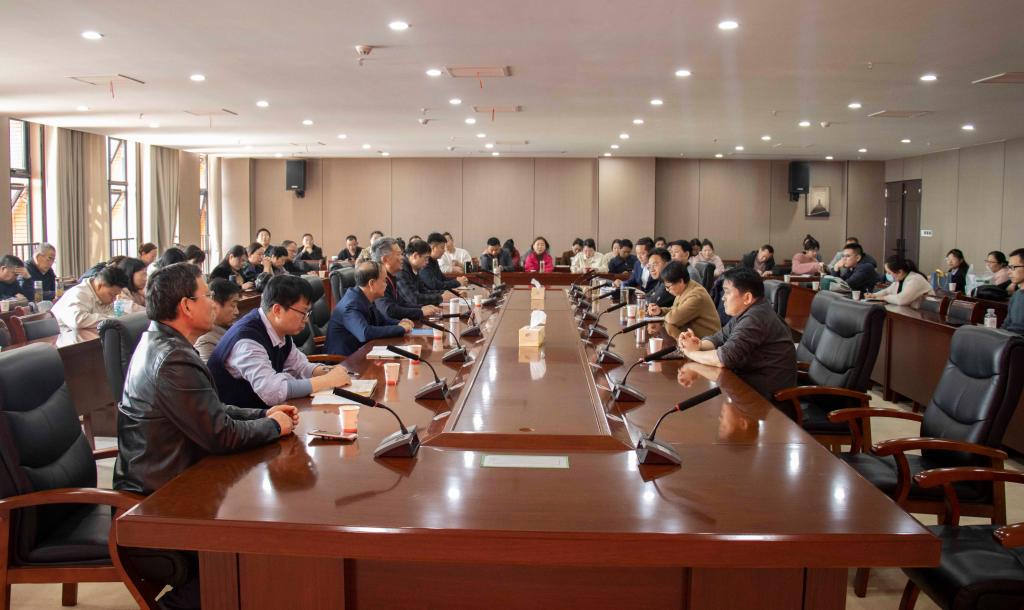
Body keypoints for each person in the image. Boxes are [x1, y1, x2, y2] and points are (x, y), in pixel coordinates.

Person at [114, 263, 295, 610]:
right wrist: (274, 427)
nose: (213, 302)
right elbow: (221, 435)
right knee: (259, 541)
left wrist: (262, 415)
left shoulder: (164, 343)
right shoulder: (171, 359)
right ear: (186, 305)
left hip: (178, 482)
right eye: (207, 295)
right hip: (160, 502)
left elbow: (210, 409)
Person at [206, 274, 351, 411]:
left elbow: (300, 366)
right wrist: (327, 380)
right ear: (277, 310)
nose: (306, 320)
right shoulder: (247, 341)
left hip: (266, 414)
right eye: (303, 313)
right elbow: (272, 392)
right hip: (239, 422)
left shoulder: (278, 329)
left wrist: (330, 371)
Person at [676, 267, 796, 401]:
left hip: (768, 400)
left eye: (727, 292)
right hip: (747, 386)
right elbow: (719, 338)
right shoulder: (748, 312)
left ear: (747, 297)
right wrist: (698, 344)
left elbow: (724, 358)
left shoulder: (755, 318)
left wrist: (691, 353)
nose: (723, 298)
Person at [326, 261, 414, 356]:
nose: (386, 284)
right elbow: (364, 333)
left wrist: (399, 323)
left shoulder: (363, 296)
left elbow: (381, 320)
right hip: (343, 360)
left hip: (361, 353)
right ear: (372, 283)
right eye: (384, 280)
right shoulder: (351, 305)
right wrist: (400, 329)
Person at [50, 266, 131, 346]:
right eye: (111, 295)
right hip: (63, 342)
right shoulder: (79, 293)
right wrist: (112, 320)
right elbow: (78, 320)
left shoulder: (104, 297)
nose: (114, 299)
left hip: (85, 340)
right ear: (100, 285)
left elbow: (114, 316)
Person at [371, 236, 440, 321]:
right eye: (398, 254)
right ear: (385, 259)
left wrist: (421, 307)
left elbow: (401, 304)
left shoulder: (391, 276)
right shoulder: (377, 279)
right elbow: (389, 310)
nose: (402, 257)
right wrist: (420, 312)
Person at [646, 261, 721, 338]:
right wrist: (660, 311)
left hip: (708, 340)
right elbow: (675, 310)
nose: (667, 290)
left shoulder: (696, 296)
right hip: (692, 336)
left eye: (668, 287)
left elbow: (673, 319)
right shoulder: (685, 287)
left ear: (680, 281)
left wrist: (664, 318)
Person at [194, 278, 243, 362]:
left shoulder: (234, 326)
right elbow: (210, 370)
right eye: (233, 305)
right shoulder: (206, 341)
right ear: (214, 305)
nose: (237, 312)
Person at [866, 256, 934, 309]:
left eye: (889, 273)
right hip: (911, 312)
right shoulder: (900, 279)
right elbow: (887, 291)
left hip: (925, 315)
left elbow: (901, 300)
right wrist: (873, 295)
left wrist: (884, 298)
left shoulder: (915, 279)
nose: (887, 275)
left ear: (900, 272)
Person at [398, 239, 444, 306]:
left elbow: (423, 291)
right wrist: (440, 297)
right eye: (426, 258)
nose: (427, 262)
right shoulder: (401, 269)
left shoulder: (414, 267)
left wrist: (443, 293)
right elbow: (414, 298)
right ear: (415, 256)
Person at [1001, 248, 1024, 333]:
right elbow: (1006, 325)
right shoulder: (1016, 294)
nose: (1008, 272)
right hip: (1009, 338)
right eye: (1008, 267)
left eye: (1013, 267)